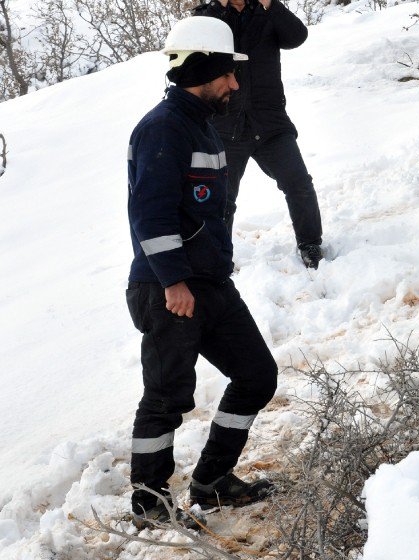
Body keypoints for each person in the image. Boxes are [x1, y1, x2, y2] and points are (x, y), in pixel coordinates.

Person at [126, 16, 278, 529]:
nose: (235, 83)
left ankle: (212, 483)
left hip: (210, 283)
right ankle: (150, 507)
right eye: (227, 74)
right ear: (203, 68)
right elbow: (151, 214)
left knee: (257, 375)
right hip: (170, 289)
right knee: (166, 398)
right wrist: (173, 281)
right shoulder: (163, 128)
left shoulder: (200, 124)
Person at [194, 0, 325, 269]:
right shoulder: (209, 17)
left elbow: (297, 37)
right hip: (226, 125)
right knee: (222, 199)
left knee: (298, 183)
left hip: (270, 122)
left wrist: (270, 4)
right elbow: (195, 55)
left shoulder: (266, 12)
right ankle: (217, 258)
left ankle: (310, 243)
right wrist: (218, 8)